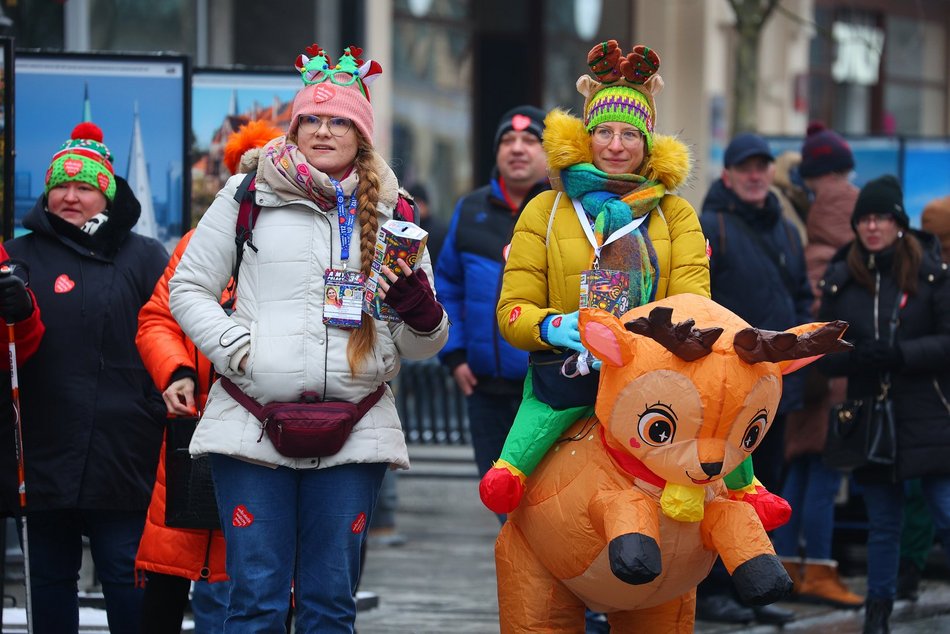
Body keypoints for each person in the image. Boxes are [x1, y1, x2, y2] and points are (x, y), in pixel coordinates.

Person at [168, 44, 448, 632]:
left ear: (361, 133)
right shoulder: (246, 195)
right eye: (311, 119)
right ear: (294, 128)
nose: (323, 131)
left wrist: (419, 313)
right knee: (256, 604)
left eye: (339, 120)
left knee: (329, 605)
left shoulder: (395, 212)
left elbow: (422, 344)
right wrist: (240, 351)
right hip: (250, 423)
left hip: (356, 429)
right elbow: (188, 288)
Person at [5, 122, 169, 633]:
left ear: (108, 194)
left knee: (127, 577)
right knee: (49, 579)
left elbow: (169, 330)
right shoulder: (19, 257)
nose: (71, 197)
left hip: (125, 453)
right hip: (43, 451)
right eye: (61, 186)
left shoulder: (145, 256)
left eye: (84, 187)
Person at [134, 118, 283, 634]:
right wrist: (175, 371)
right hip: (193, 432)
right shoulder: (199, 242)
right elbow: (159, 317)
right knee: (171, 569)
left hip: (269, 431)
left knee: (257, 579)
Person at [817, 175, 950, 634]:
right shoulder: (841, 278)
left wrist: (900, 354)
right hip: (869, 416)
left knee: (945, 510)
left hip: (927, 413)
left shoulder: (932, 274)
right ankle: (878, 615)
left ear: (899, 223)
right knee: (883, 523)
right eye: (865, 219)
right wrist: (855, 355)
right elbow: (823, 353)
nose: (873, 227)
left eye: (882, 218)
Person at [695, 131, 814, 626]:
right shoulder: (711, 225)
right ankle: (713, 591)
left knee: (766, 487)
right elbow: (699, 302)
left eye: (762, 166)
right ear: (728, 174)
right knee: (723, 489)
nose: (755, 175)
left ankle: (753, 590)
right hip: (727, 390)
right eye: (745, 167)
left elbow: (801, 295)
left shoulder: (786, 229)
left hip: (774, 387)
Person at [434, 105, 549, 505]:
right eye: (508, 140)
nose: (517, 148)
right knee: (499, 494)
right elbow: (447, 284)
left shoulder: (561, 210)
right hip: (484, 387)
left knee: (545, 497)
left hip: (545, 385)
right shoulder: (470, 209)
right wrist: (454, 355)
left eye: (530, 140)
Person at [773, 123, 864, 609]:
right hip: (830, 382)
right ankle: (821, 571)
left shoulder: (810, 239)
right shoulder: (845, 252)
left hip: (807, 381)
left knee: (803, 474)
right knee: (825, 477)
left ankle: (789, 568)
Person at [406, 183, 447, 263]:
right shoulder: (407, 229)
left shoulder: (440, 230)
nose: (417, 207)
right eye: (415, 203)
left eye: (420, 203)